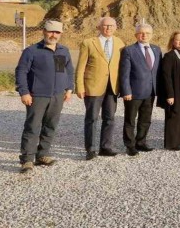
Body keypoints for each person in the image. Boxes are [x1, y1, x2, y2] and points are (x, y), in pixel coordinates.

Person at [15, 20, 74, 173]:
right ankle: (27, 159)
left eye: (57, 32)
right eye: (50, 31)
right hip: (37, 96)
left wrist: (69, 89)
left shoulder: (63, 51)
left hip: (57, 96)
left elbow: (68, 71)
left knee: (50, 126)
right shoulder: (31, 51)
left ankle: (42, 155)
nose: (53, 35)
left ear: (61, 34)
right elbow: (21, 72)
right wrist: (24, 92)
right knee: (32, 127)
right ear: (44, 31)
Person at [75, 16, 125, 160]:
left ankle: (105, 147)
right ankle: (90, 149)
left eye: (111, 26)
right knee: (92, 118)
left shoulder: (120, 43)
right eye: (105, 25)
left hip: (112, 86)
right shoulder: (88, 43)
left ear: (115, 27)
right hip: (93, 86)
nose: (108, 28)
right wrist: (79, 86)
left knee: (109, 118)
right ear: (99, 27)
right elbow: (80, 67)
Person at [119, 23, 162, 156]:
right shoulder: (129, 50)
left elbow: (158, 71)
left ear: (151, 35)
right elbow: (124, 73)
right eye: (141, 33)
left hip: (150, 92)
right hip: (133, 93)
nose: (144, 35)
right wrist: (126, 91)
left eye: (147, 33)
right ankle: (130, 145)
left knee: (145, 119)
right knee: (130, 120)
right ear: (136, 35)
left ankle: (141, 142)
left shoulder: (156, 49)